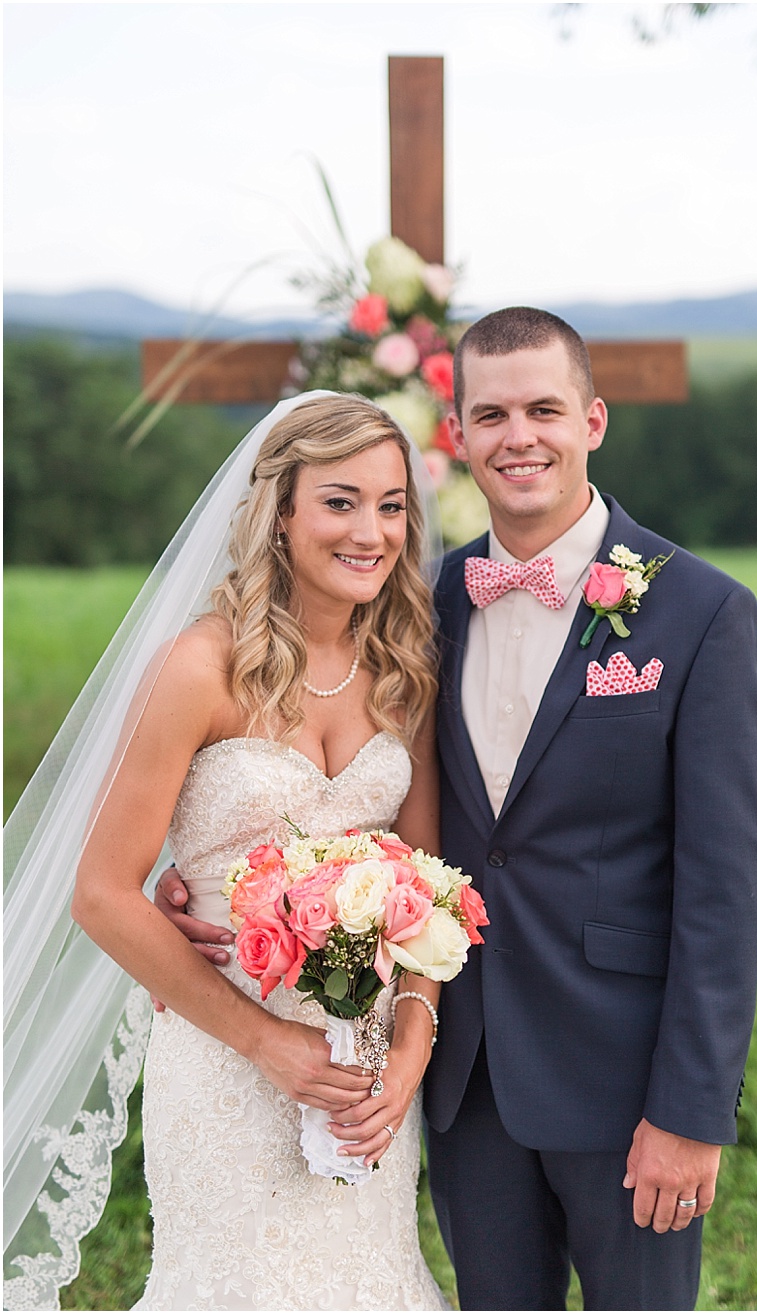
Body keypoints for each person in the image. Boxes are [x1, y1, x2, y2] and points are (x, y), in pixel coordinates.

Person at [161, 308, 757, 1309]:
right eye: (491, 415)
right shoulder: (418, 607)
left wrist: (692, 1110)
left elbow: (728, 887)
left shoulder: (700, 613)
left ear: (594, 420)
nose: (518, 437)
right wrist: (189, 885)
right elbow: (323, 795)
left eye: (544, 409)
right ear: (459, 434)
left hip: (623, 1083)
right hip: (458, 1081)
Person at [6, 393, 447, 1308]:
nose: (372, 530)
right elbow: (101, 892)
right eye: (340, 501)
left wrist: (408, 1049)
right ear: (278, 512)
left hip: (359, 1068)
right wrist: (264, 1041)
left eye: (392, 504)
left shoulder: (407, 675)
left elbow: (432, 891)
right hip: (221, 1057)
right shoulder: (198, 667)